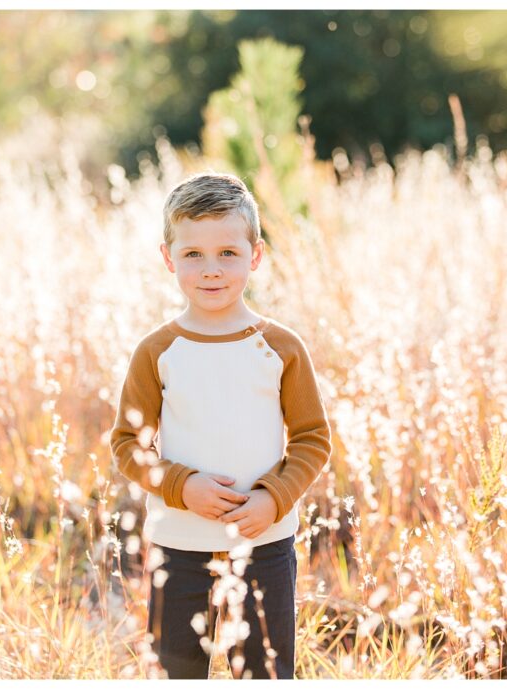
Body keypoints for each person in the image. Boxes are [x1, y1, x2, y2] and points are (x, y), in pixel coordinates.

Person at [109, 172, 331, 679]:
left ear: (255, 255)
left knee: (264, 674)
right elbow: (127, 444)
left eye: (228, 253)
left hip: (265, 544)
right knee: (177, 672)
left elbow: (313, 439)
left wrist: (273, 498)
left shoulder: (280, 346)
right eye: (193, 255)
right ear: (168, 258)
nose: (211, 270)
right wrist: (182, 486)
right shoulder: (157, 350)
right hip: (178, 547)